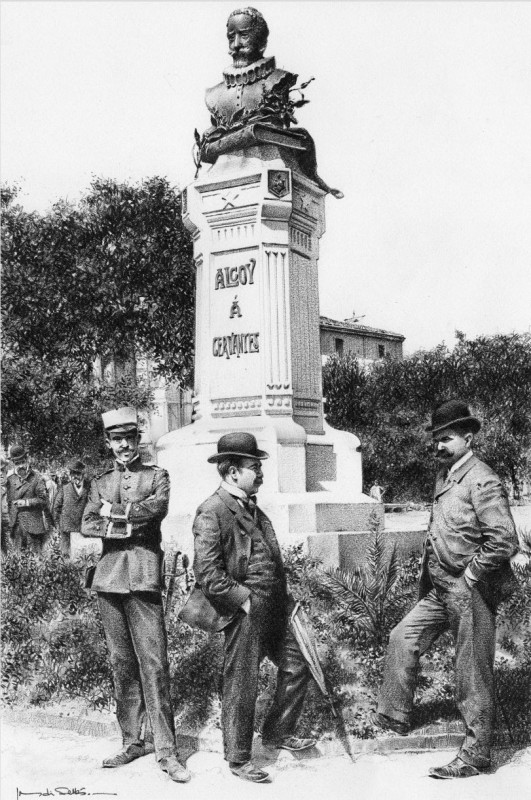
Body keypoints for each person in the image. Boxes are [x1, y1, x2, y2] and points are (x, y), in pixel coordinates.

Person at [374, 400, 519, 779]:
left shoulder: (483, 479)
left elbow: (503, 539)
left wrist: (473, 574)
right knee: (402, 638)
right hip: (441, 588)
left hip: (471, 590)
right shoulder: (446, 473)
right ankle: (394, 718)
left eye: (447, 438)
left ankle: (476, 755)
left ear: (468, 438)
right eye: (436, 439)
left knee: (472, 673)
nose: (438, 446)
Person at [181, 431, 315, 783]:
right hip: (242, 612)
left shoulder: (254, 509)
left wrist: (283, 601)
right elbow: (208, 575)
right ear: (232, 472)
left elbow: (270, 562)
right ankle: (239, 758)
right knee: (242, 681)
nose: (261, 473)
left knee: (296, 665)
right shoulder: (212, 511)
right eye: (255, 467)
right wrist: (246, 601)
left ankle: (275, 734)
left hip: (272, 608)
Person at [81, 407, 190, 784]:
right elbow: (87, 522)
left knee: (154, 663)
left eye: (129, 438)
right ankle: (132, 740)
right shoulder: (100, 481)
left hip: (144, 575)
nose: (123, 445)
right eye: (115, 439)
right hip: (108, 579)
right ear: (108, 442)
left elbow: (156, 509)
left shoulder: (157, 475)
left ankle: (167, 750)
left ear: (138, 439)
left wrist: (117, 514)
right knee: (121, 662)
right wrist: (128, 518)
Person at [5, 444, 52, 554]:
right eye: (17, 463)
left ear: (26, 460)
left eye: (22, 462)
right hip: (15, 527)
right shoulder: (10, 480)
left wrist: (26, 502)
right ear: (13, 463)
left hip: (33, 527)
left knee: (35, 561)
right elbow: (7, 503)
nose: (20, 466)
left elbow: (44, 501)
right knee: (17, 562)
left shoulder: (37, 478)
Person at [53, 459, 90, 557]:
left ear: (82, 474)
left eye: (77, 473)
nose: (75, 476)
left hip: (83, 526)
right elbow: (56, 507)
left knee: (82, 555)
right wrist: (58, 524)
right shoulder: (64, 488)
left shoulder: (89, 487)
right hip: (66, 527)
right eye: (72, 474)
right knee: (66, 554)